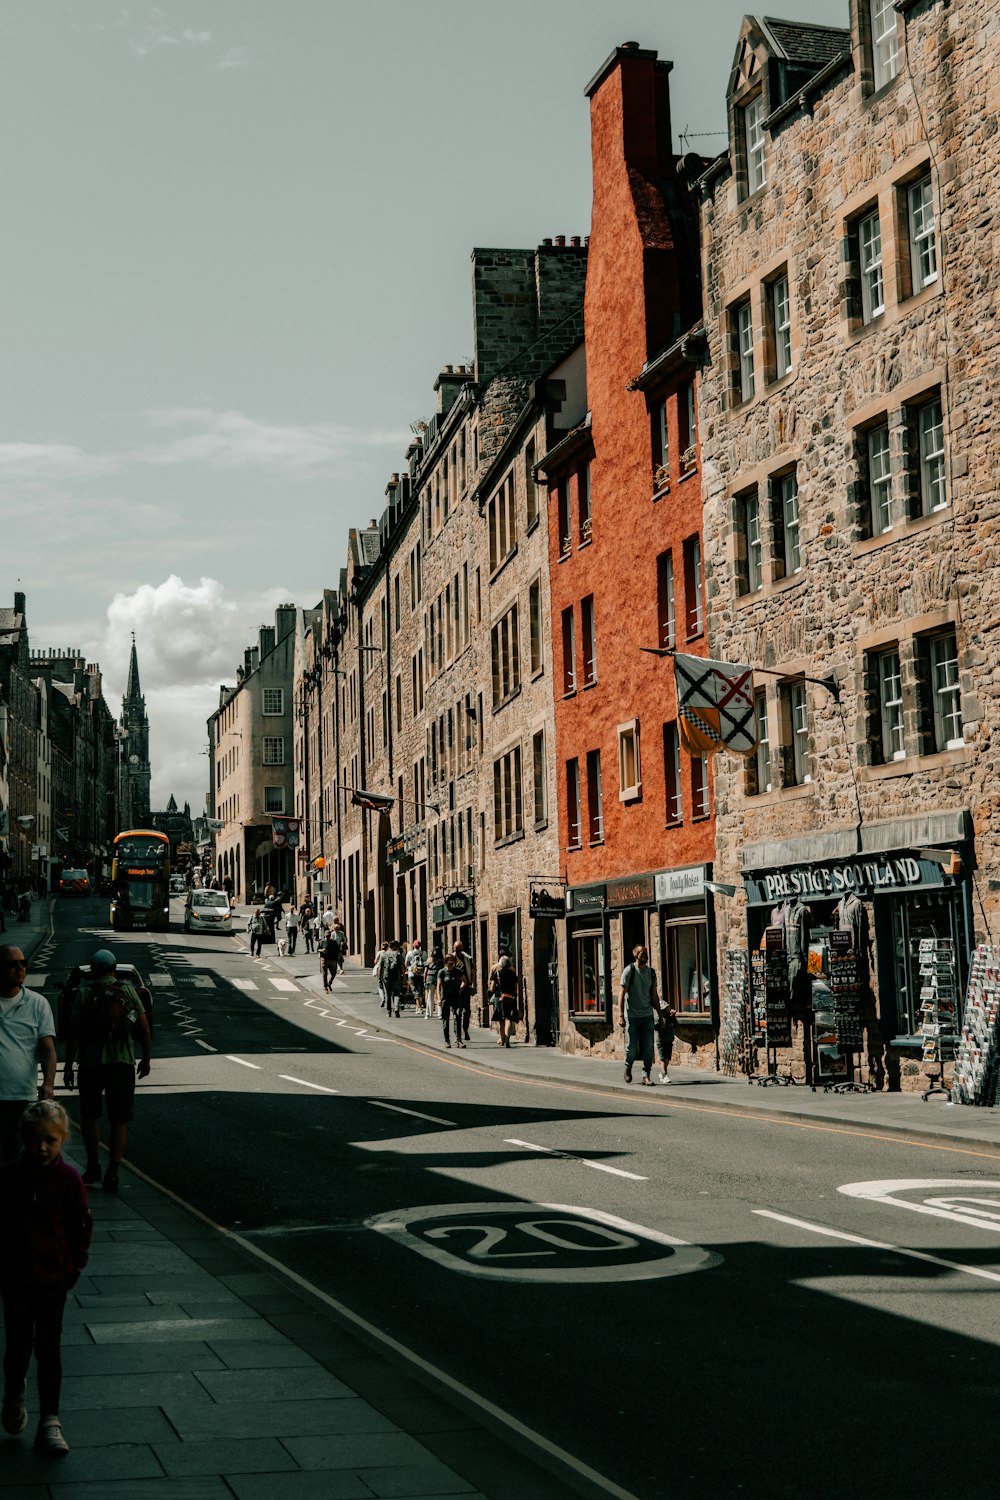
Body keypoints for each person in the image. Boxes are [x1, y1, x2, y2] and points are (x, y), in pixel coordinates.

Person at [0, 1100, 92, 1455]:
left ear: (63, 1139)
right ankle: (13, 1395)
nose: (42, 1147)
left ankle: (50, 1420)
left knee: (49, 1350)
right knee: (19, 1347)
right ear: (24, 1137)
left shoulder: (68, 1179)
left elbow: (81, 1224)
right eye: (36, 1139)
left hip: (53, 1279)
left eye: (50, 1140)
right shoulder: (7, 1178)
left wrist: (73, 1267)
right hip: (16, 1279)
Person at [62, 949, 151, 1192]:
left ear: (93, 972)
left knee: (90, 1117)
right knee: (119, 1120)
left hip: (91, 1065)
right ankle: (113, 1172)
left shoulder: (83, 994)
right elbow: (143, 1029)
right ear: (113, 969)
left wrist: (68, 1065)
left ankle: (92, 1167)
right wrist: (146, 1059)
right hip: (122, 1064)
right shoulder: (129, 992)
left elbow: (74, 1033)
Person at [0, 946, 57, 1165]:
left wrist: (48, 1083)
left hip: (22, 1097)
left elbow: (48, 1049)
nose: (21, 968)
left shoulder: (37, 1003)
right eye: (13, 964)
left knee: (18, 1161)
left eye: (23, 963)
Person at [619, 945, 660, 1085]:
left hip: (647, 1015)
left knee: (648, 1047)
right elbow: (621, 994)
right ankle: (627, 1068)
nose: (645, 956)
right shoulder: (629, 971)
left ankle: (646, 1075)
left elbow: (654, 996)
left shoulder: (651, 973)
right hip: (632, 1016)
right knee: (631, 1047)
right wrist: (620, 1015)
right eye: (643, 953)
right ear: (636, 955)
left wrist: (659, 1014)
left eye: (646, 953)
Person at [489, 954, 519, 1048]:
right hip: (510, 997)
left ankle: (502, 1039)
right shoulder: (513, 974)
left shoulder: (497, 973)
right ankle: (507, 1040)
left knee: (501, 1020)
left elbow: (492, 988)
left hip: (500, 997)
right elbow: (515, 988)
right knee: (509, 1018)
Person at [438, 953, 466, 1048]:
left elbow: (464, 981)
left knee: (458, 1015)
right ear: (446, 961)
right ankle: (447, 1040)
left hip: (456, 997)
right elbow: (439, 986)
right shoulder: (442, 972)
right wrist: (439, 999)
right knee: (446, 1019)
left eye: (453, 960)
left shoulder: (457, 971)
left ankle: (458, 1039)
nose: (452, 961)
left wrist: (460, 989)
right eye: (450, 960)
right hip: (446, 998)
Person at [452, 941, 474, 1041]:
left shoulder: (468, 959)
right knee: (457, 1012)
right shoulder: (450, 959)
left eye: (460, 950)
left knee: (466, 1011)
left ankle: (465, 1029)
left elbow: (472, 972)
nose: (458, 952)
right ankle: (458, 1034)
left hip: (466, 988)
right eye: (456, 950)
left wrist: (472, 984)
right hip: (455, 989)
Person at [655, 1001, 677, 1084]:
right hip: (661, 1040)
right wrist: (662, 1023)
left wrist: (673, 1017)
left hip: (669, 1039)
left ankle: (662, 1073)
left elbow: (675, 1025)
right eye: (664, 1010)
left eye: (667, 1009)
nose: (666, 1011)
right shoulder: (658, 1018)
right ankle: (665, 1074)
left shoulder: (670, 1017)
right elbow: (656, 1027)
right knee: (663, 1058)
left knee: (667, 1058)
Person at [405, 939, 427, 1014]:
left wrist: (409, 968)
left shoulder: (410, 953)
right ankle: (419, 1006)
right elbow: (426, 963)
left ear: (413, 945)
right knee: (420, 990)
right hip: (421, 974)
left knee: (415, 991)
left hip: (412, 974)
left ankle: (419, 1008)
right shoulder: (424, 953)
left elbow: (406, 963)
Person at [424, 944, 444, 1021]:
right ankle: (440, 1013)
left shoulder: (429, 959)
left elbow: (426, 971)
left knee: (430, 996)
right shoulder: (441, 960)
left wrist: (425, 979)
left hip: (430, 977)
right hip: (439, 977)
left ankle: (428, 1013)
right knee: (439, 995)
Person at [319, 928, 339, 993]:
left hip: (332, 960)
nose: (327, 937)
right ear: (324, 936)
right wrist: (322, 950)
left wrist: (339, 956)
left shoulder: (334, 942)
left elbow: (338, 950)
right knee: (324, 974)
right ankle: (325, 987)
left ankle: (329, 983)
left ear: (330, 936)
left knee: (334, 973)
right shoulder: (322, 942)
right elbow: (318, 949)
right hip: (324, 959)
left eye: (328, 936)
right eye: (326, 936)